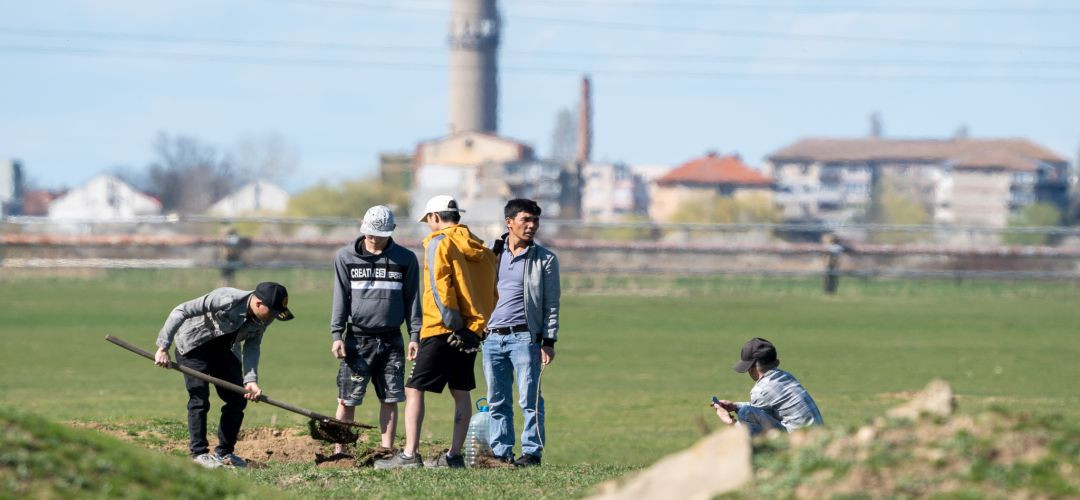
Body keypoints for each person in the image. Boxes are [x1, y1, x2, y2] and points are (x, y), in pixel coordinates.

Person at [375, 195, 497, 469]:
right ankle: (454, 457)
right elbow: (493, 292)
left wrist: (454, 325)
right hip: (471, 332)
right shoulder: (483, 249)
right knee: (461, 390)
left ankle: (409, 455)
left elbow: (441, 288)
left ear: (434, 217)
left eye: (428, 220)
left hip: (442, 326)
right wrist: (474, 327)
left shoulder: (438, 242)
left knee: (414, 388)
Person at [154, 281, 295, 468]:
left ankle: (225, 453)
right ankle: (198, 454)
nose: (274, 318)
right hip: (193, 346)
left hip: (224, 350)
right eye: (273, 312)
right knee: (199, 398)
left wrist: (251, 380)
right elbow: (181, 311)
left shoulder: (263, 319)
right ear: (259, 303)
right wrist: (163, 347)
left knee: (237, 400)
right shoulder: (226, 298)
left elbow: (252, 346)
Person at [329, 205, 422, 455]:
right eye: (370, 234)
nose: (374, 239)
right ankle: (341, 450)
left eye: (379, 235)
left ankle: (385, 450)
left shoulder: (406, 259)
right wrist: (337, 334)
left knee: (390, 398)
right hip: (357, 340)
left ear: (392, 231)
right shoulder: (345, 257)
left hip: (392, 340)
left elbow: (413, 299)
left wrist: (415, 335)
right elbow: (340, 298)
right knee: (348, 398)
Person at [483, 199, 560, 467]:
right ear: (509, 222)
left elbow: (551, 304)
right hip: (492, 337)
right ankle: (501, 452)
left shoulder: (545, 260)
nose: (531, 226)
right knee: (496, 399)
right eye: (526, 220)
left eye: (535, 220)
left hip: (526, 338)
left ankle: (531, 453)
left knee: (529, 398)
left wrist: (548, 341)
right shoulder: (491, 255)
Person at [712, 337, 824, 435]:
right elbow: (765, 408)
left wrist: (729, 422)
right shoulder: (786, 376)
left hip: (798, 442)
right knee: (745, 410)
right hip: (817, 437)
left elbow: (755, 419)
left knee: (745, 413)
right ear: (775, 362)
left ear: (750, 367)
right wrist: (735, 406)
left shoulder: (760, 390)